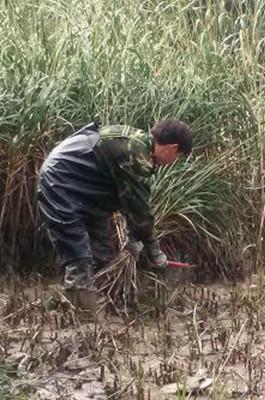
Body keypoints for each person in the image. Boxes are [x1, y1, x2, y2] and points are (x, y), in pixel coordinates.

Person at [37, 119, 193, 315]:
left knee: (101, 252)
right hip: (60, 182)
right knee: (79, 254)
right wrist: (155, 251)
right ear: (172, 148)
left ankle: (89, 304)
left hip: (86, 191)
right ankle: (81, 321)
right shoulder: (136, 154)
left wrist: (134, 239)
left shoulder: (139, 144)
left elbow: (128, 201)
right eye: (177, 157)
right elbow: (140, 210)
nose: (173, 162)